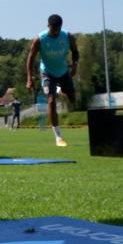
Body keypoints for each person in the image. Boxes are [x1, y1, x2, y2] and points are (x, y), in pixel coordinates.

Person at [25, 14, 79, 147]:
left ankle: (60, 89)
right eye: (53, 29)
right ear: (48, 26)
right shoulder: (40, 39)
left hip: (63, 72)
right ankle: (58, 137)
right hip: (47, 73)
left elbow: (75, 52)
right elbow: (30, 58)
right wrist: (29, 78)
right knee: (51, 101)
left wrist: (75, 64)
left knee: (73, 99)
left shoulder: (67, 37)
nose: (55, 32)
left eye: (58, 29)